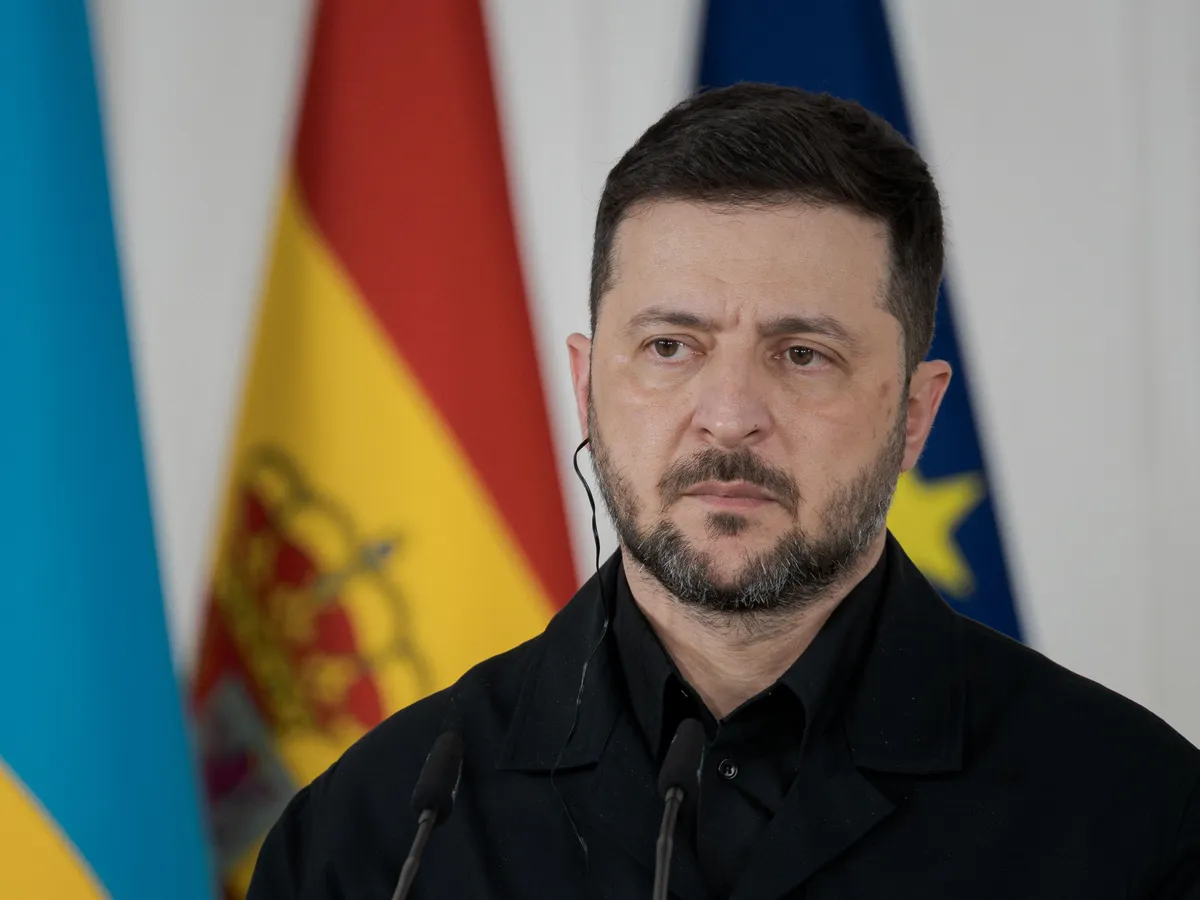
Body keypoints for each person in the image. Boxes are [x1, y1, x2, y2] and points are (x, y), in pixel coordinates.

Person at [247, 83, 1200, 899]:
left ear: (914, 415)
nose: (730, 413)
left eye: (802, 354)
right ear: (586, 387)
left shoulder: (1134, 816)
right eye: (671, 346)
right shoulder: (381, 831)